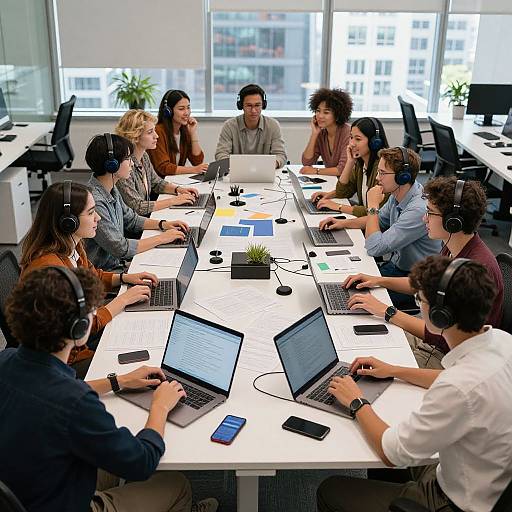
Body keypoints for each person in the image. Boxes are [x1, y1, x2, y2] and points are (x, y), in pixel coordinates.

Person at [0, 266, 218, 512]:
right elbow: (143, 461)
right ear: (80, 329)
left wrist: (119, 381)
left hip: (29, 488)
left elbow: (47, 391)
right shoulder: (76, 403)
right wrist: (160, 406)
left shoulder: (5, 360)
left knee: (111, 451)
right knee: (177, 484)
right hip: (66, 502)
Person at [317, 256, 512, 512]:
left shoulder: (459, 388)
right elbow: (456, 380)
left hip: (451, 501)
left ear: (441, 316)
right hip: (482, 471)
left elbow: (391, 452)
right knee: (394, 424)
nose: (418, 304)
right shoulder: (501, 340)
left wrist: (357, 401)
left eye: (420, 300)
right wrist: (394, 370)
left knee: (332, 490)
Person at [343, 176, 504, 369]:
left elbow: (442, 335)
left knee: (364, 359)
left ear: (453, 222)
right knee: (359, 334)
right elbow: (424, 284)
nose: (424, 218)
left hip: (446, 357)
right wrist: (379, 280)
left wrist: (387, 311)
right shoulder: (454, 245)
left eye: (430, 212)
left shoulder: (474, 267)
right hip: (433, 336)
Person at [19, 181, 160, 372]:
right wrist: (122, 300)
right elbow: (80, 327)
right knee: (142, 361)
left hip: (83, 335)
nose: (99, 218)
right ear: (68, 221)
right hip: (68, 361)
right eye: (91, 212)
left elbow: (92, 276)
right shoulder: (52, 271)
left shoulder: (71, 245)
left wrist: (125, 278)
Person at [319, 147, 441, 308]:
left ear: (402, 177)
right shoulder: (398, 194)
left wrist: (373, 205)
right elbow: (379, 221)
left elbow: (375, 248)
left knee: (349, 299)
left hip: (413, 282)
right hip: (395, 267)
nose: (377, 178)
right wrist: (343, 223)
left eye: (382, 173)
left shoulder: (418, 209)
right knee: (339, 282)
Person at [84, 133, 189, 271]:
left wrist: (163, 224)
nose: (132, 163)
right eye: (128, 159)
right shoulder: (96, 201)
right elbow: (121, 248)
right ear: (112, 165)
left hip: (118, 265)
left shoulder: (111, 189)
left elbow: (131, 219)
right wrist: (162, 238)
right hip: (106, 274)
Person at [115, 109, 199, 216]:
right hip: (134, 226)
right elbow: (138, 207)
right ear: (134, 136)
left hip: (145, 218)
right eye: (150, 132)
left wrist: (179, 190)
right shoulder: (124, 166)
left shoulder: (144, 156)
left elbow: (156, 183)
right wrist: (173, 201)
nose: (156, 136)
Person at [311, 117, 390, 217]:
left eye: (358, 139)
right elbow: (342, 192)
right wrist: (350, 162)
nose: (352, 143)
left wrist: (338, 206)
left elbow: (373, 211)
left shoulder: (384, 169)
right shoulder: (361, 164)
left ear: (374, 142)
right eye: (351, 137)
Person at [214, 83, 287, 168]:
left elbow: (281, 155)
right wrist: (237, 166)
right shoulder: (229, 126)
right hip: (237, 173)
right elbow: (221, 154)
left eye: (257, 105)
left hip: (265, 172)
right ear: (241, 105)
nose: (253, 110)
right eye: (249, 105)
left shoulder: (273, 125)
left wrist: (270, 165)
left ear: (263, 105)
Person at [147, 89, 208, 176]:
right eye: (181, 109)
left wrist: (193, 133)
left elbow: (197, 161)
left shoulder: (184, 131)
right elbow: (164, 167)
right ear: (168, 111)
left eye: (188, 107)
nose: (186, 113)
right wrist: (193, 170)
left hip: (177, 182)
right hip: (161, 185)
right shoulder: (158, 132)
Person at [301, 87, 352, 177]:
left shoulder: (348, 133)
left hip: (347, 183)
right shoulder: (321, 133)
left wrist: (316, 171)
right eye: (318, 111)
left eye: (326, 112)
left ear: (337, 115)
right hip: (332, 181)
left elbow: (342, 169)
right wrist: (314, 134)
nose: (320, 116)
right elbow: (307, 162)